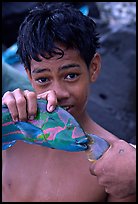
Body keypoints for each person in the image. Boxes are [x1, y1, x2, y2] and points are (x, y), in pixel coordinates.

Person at [2, 2, 136, 202]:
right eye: (43, 79)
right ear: (28, 75)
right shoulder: (10, 130)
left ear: (94, 68)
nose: (57, 93)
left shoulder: (114, 165)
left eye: (71, 75)